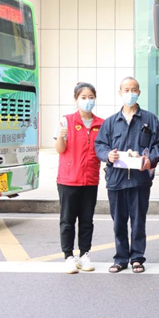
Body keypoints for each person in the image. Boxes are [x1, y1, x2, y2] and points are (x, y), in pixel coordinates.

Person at [94, 77, 159, 273]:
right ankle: (121, 258)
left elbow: (158, 145)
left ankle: (137, 258)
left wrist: (150, 159)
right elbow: (99, 145)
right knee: (119, 222)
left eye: (133, 90)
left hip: (140, 180)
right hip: (116, 179)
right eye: (126, 89)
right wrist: (108, 155)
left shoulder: (150, 119)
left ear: (139, 92)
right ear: (120, 92)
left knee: (139, 221)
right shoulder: (110, 122)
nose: (130, 93)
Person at [54, 82, 104, 274]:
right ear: (76, 99)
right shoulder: (66, 121)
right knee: (67, 220)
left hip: (90, 179)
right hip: (68, 179)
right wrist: (61, 136)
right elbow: (60, 150)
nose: (87, 101)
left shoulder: (101, 124)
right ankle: (68, 256)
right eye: (83, 97)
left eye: (91, 97)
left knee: (87, 220)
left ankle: (84, 255)